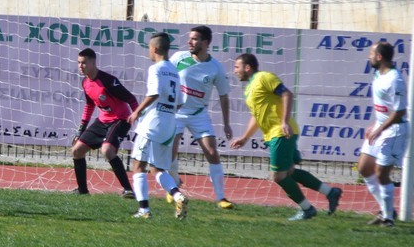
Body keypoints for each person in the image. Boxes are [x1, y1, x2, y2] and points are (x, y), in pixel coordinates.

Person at [230, 53, 342, 220]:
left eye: (236, 67)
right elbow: (256, 116)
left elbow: (287, 94)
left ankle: (307, 209)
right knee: (288, 172)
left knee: (278, 176)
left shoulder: (263, 77)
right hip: (273, 135)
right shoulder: (248, 89)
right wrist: (245, 137)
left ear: (247, 67)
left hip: (281, 132)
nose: (234, 71)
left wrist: (284, 122)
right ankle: (330, 192)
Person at [168, 26, 235, 209]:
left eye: (194, 39)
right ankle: (173, 185)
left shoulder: (216, 67)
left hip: (199, 115)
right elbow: (166, 78)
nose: (189, 42)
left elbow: (223, 96)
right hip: (177, 114)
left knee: (212, 152)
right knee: (170, 152)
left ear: (205, 43)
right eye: (189, 38)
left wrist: (227, 124)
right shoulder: (179, 58)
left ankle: (221, 198)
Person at [127, 33, 188, 219]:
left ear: (154, 48)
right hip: (169, 123)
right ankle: (178, 196)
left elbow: (154, 93)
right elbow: (180, 102)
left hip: (152, 123)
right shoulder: (175, 72)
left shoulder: (156, 68)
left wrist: (137, 111)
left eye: (148, 48)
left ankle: (144, 210)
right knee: (157, 168)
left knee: (138, 166)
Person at [71, 48, 137, 198]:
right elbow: (89, 106)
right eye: (79, 63)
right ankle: (82, 191)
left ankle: (128, 190)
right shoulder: (85, 82)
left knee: (107, 150)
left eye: (84, 63)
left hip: (120, 119)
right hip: (102, 121)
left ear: (93, 62)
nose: (80, 66)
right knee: (76, 151)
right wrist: (81, 129)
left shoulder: (108, 81)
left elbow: (131, 99)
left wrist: (137, 117)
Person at [357, 41, 408, 227]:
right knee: (364, 168)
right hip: (381, 126)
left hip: (393, 131)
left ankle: (388, 219)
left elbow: (399, 111)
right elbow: (385, 108)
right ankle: (387, 210)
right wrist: (375, 124)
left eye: (371, 54)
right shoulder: (378, 74)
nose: (368, 57)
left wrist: (380, 129)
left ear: (379, 57)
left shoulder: (395, 80)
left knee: (381, 174)